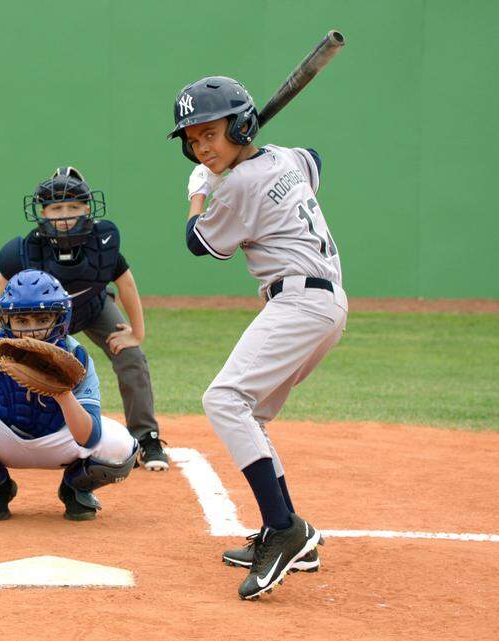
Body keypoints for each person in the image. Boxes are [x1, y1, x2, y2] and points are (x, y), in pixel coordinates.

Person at [167, 75, 348, 599]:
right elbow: (314, 158)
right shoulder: (287, 158)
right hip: (324, 304)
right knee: (253, 415)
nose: (202, 147)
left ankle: (284, 530)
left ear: (242, 124)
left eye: (211, 134)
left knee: (224, 399)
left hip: (298, 302)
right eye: (194, 140)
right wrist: (241, 155)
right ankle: (290, 529)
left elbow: (197, 243)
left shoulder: (238, 185)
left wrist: (201, 192)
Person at [0, 167, 169, 471]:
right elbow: (1, 287)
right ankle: (18, 432)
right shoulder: (27, 248)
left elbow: (125, 283)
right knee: (18, 366)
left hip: (93, 307)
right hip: (42, 321)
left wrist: (136, 333)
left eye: (73, 207)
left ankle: (147, 438)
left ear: (87, 209)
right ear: (43, 212)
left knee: (131, 357)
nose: (64, 215)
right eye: (57, 208)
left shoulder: (102, 241)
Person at [0, 269, 138, 521]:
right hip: (5, 436)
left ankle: (75, 489)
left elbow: (89, 439)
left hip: (59, 441)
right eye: (22, 321)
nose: (32, 330)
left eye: (41, 318)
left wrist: (63, 394)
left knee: (120, 448)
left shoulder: (75, 357)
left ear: (60, 317)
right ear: (7, 320)